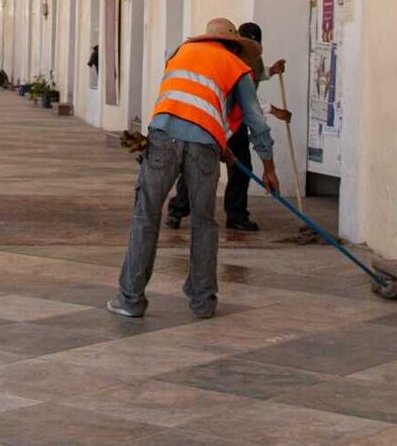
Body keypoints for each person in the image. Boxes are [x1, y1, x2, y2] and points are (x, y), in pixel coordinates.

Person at [108, 19, 280, 320]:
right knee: (204, 222)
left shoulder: (180, 53)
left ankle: (130, 299)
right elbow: (255, 122)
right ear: (235, 45)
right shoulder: (237, 67)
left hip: (162, 139)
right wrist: (269, 168)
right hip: (203, 148)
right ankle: (203, 301)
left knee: (145, 216)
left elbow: (186, 103)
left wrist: (219, 144)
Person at [165, 21, 291, 232]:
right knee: (195, 167)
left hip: (228, 122)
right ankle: (179, 210)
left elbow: (252, 86)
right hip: (204, 122)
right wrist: (269, 168)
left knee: (239, 168)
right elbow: (251, 105)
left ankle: (236, 215)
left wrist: (272, 71)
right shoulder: (225, 62)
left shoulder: (188, 54)